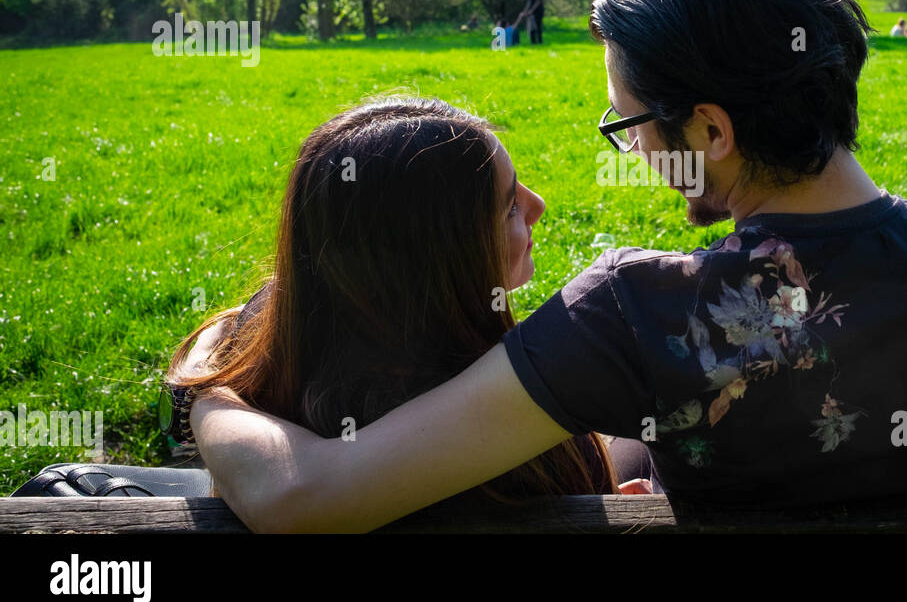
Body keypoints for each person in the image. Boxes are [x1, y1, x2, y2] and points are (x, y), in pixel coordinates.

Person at [186, 0, 907, 533]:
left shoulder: (637, 314)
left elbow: (304, 499)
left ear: (711, 129)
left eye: (631, 124)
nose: (633, 152)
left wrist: (214, 386)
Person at [168, 98, 629, 505]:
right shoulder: (531, 435)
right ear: (439, 255)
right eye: (509, 205)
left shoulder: (271, 363)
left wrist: (206, 383)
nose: (538, 205)